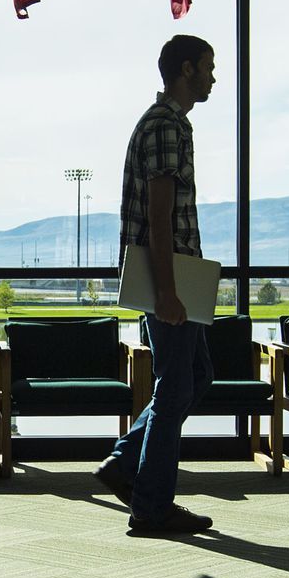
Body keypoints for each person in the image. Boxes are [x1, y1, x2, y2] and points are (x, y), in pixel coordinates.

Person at [94, 34, 217, 534]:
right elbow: (161, 217)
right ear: (185, 69)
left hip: (178, 275)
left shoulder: (168, 123)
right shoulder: (166, 125)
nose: (213, 76)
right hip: (171, 277)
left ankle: (125, 463)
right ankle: (151, 505)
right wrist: (167, 292)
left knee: (197, 375)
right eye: (208, 67)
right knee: (174, 386)